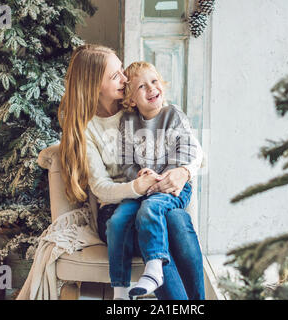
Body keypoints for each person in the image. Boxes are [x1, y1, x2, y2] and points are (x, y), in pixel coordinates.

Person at [57, 44, 205, 300]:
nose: (125, 79)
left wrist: (183, 172)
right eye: (115, 76)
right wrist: (138, 187)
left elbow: (192, 146)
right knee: (160, 223)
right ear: (94, 85)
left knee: (176, 220)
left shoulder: (140, 104)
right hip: (117, 211)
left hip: (153, 200)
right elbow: (101, 187)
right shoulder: (87, 129)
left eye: (122, 71)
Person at [101, 61, 202, 299]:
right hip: (145, 190)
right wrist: (139, 175)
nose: (151, 89)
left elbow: (187, 151)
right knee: (128, 216)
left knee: (151, 207)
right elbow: (126, 163)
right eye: (142, 87)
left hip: (173, 188)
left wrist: (167, 177)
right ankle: (126, 287)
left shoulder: (173, 115)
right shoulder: (128, 122)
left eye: (154, 82)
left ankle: (155, 266)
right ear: (132, 100)